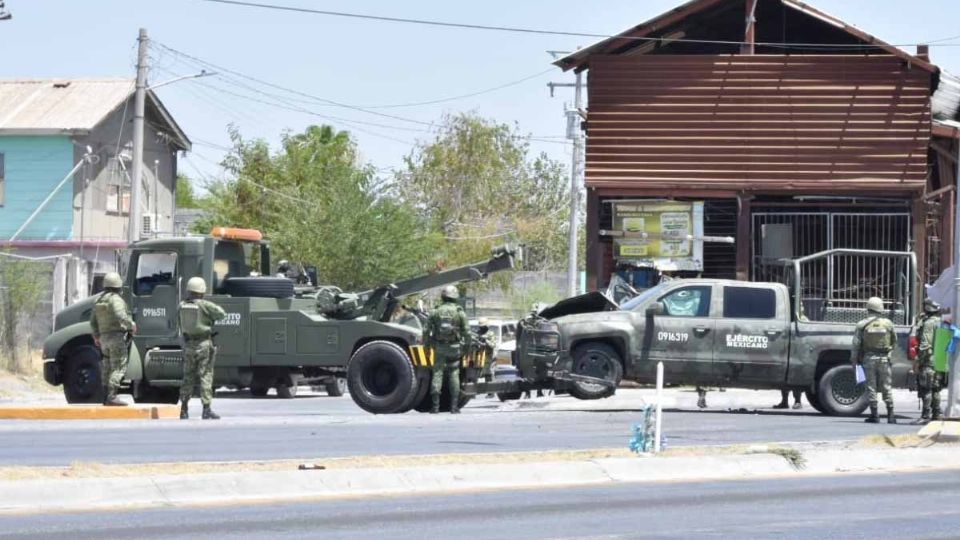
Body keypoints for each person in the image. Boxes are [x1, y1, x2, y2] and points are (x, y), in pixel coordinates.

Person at [178, 277, 226, 420]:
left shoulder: (182, 305)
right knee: (205, 375)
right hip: (204, 343)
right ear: (202, 291)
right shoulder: (205, 305)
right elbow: (222, 314)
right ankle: (206, 409)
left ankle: (184, 409)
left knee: (188, 377)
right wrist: (209, 320)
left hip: (188, 345)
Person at [89, 272, 136, 406]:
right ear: (118, 285)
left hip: (104, 338)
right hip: (116, 337)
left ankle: (104, 396)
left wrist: (96, 336)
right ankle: (112, 396)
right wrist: (131, 325)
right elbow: (120, 315)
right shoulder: (115, 299)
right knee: (119, 366)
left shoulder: (98, 300)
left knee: (107, 367)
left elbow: (92, 322)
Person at [852, 296, 898, 424]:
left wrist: (854, 360)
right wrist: (889, 353)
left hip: (869, 358)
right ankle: (891, 415)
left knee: (871, 387)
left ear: (868, 308)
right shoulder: (888, 323)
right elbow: (895, 341)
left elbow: (856, 344)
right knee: (886, 387)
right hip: (884, 359)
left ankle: (875, 415)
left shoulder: (862, 324)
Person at [425, 285, 469, 414]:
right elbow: (467, 332)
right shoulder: (459, 312)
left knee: (437, 373)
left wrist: (427, 346)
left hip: (439, 347)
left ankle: (435, 407)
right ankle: (454, 407)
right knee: (454, 374)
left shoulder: (435, 311)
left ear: (443, 296)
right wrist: (466, 347)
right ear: (455, 297)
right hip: (455, 348)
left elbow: (426, 331)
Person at [915, 298, 944, 423]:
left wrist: (918, 361)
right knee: (936, 388)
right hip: (939, 360)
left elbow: (925, 345)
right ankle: (936, 413)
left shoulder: (929, 323)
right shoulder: (942, 322)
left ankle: (925, 416)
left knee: (926, 388)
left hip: (928, 360)